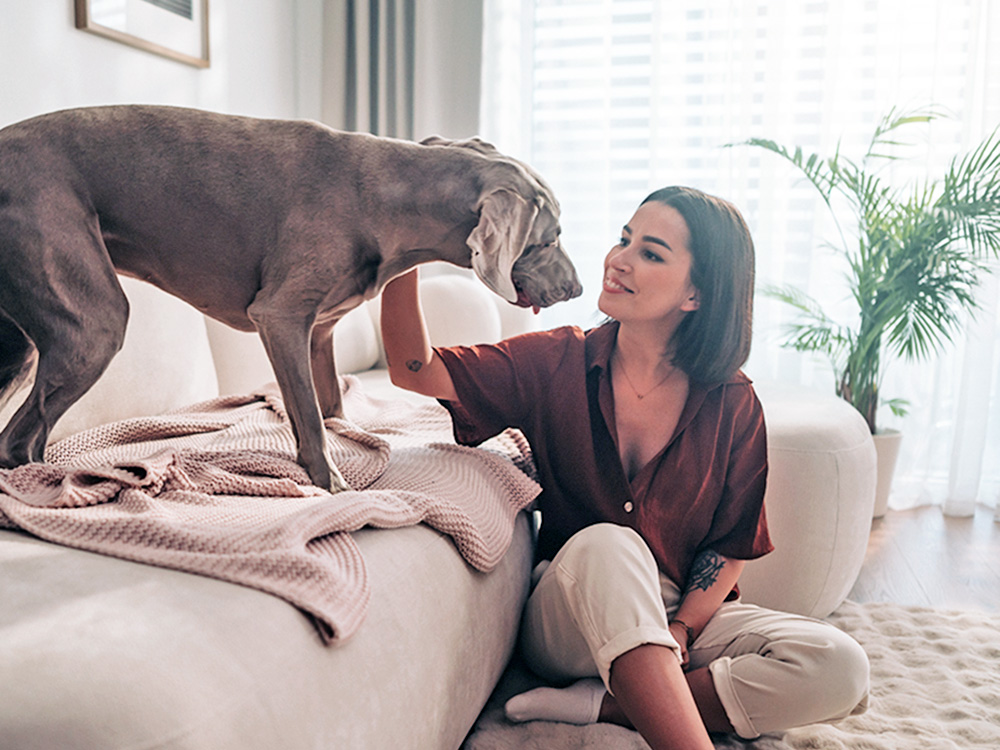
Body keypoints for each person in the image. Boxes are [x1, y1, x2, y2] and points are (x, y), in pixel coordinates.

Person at [379, 186, 870, 750]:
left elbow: (729, 547)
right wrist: (404, 256)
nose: (619, 259)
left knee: (839, 663)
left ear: (696, 295)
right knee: (612, 544)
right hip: (573, 610)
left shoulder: (733, 402)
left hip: (673, 613)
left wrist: (683, 627)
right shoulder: (554, 360)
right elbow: (415, 370)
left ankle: (609, 705)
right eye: (624, 239)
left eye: (652, 252)